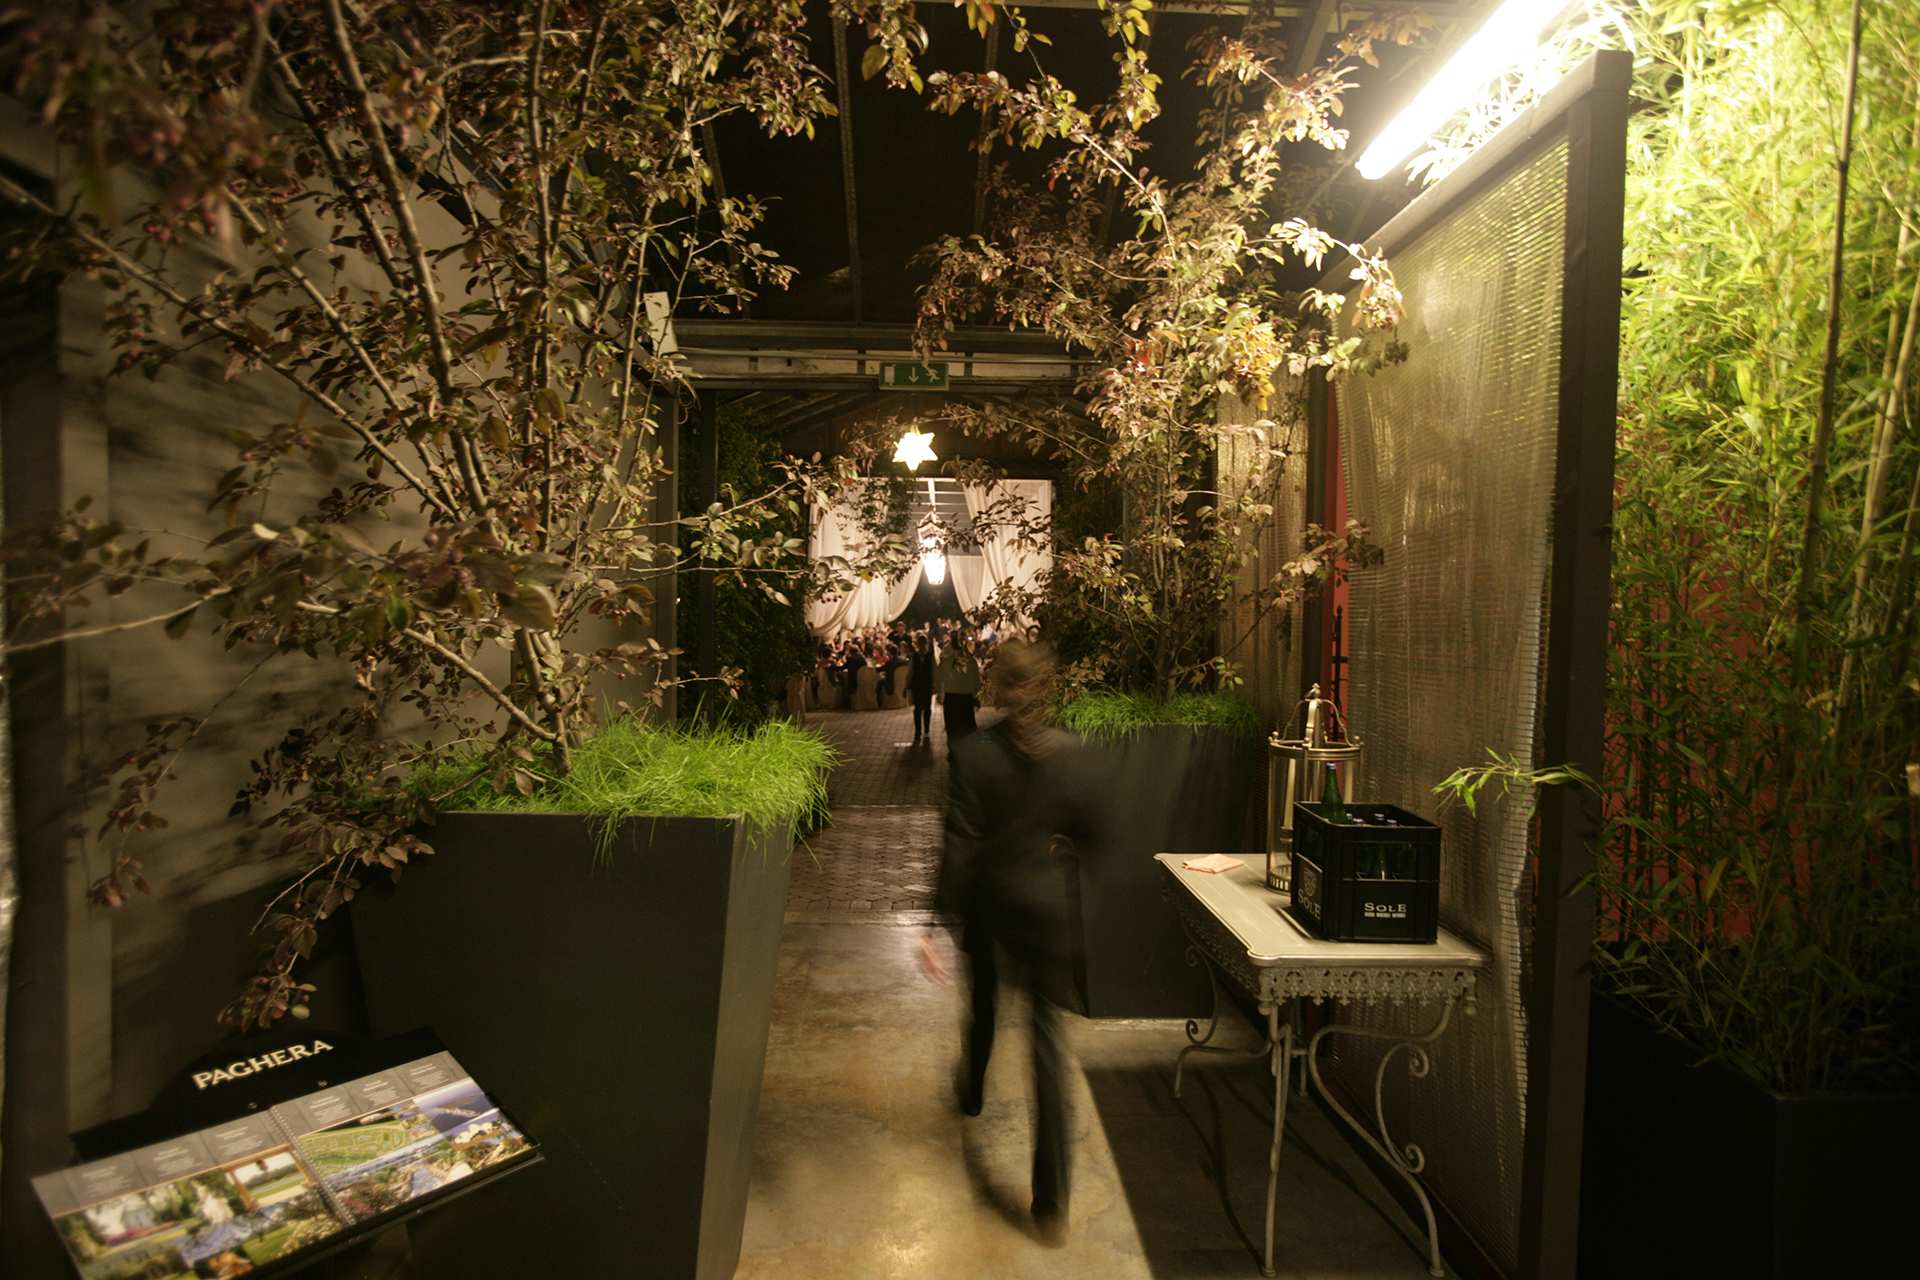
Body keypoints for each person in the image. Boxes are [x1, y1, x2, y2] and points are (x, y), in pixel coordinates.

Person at [920, 640, 1088, 1246]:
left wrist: (937, 922)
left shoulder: (973, 754)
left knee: (984, 1005)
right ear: (1045, 686)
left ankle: (971, 1093)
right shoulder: (1070, 753)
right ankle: (1052, 1202)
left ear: (994, 687)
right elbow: (1093, 831)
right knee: (1047, 1046)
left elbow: (961, 840)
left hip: (991, 907)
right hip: (1045, 910)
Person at [936, 634, 980, 749]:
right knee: (967, 727)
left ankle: (953, 750)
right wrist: (976, 696)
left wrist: (939, 695)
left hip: (951, 698)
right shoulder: (972, 662)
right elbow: (977, 682)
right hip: (966, 698)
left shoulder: (946, 662)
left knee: (952, 727)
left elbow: (939, 680)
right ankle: (966, 750)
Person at [907, 631, 937, 743]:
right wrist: (907, 685)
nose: (921, 645)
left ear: (925, 644)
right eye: (920, 643)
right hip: (917, 685)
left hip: (927, 684)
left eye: (923, 643)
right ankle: (918, 730)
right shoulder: (914, 656)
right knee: (917, 709)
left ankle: (926, 727)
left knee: (927, 708)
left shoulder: (930, 656)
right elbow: (910, 671)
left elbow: (934, 670)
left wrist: (934, 684)